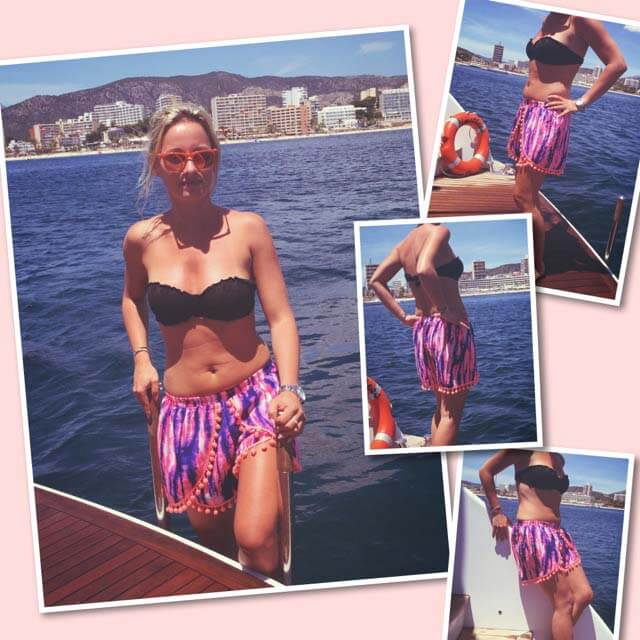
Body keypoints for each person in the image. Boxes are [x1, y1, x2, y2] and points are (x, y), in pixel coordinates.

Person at [121, 103, 305, 578]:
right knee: (218, 551)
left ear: (216, 160)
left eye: (203, 156)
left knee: (256, 540)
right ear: (156, 163)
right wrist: (141, 358)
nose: (191, 169)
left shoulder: (248, 229)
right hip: (184, 413)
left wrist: (291, 388)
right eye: (176, 158)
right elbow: (132, 299)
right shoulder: (141, 240)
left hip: (255, 399)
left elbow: (281, 317)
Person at [508, 13, 627, 279]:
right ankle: (533, 247)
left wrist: (579, 103)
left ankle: (537, 267)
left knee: (522, 196)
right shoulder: (550, 17)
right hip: (526, 111)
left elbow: (618, 64)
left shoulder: (581, 19)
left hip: (548, 116)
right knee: (528, 195)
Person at [368, 224, 478, 446]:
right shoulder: (439, 231)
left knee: (441, 408)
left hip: (423, 330)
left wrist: (402, 317)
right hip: (448, 330)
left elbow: (375, 281)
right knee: (451, 414)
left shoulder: (404, 245)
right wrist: (444, 310)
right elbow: (424, 268)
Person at [479, 450, 593, 640]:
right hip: (534, 532)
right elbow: (485, 471)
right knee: (564, 602)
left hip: (558, 533)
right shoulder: (526, 450)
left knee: (584, 594)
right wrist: (496, 511)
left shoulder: (558, 458)